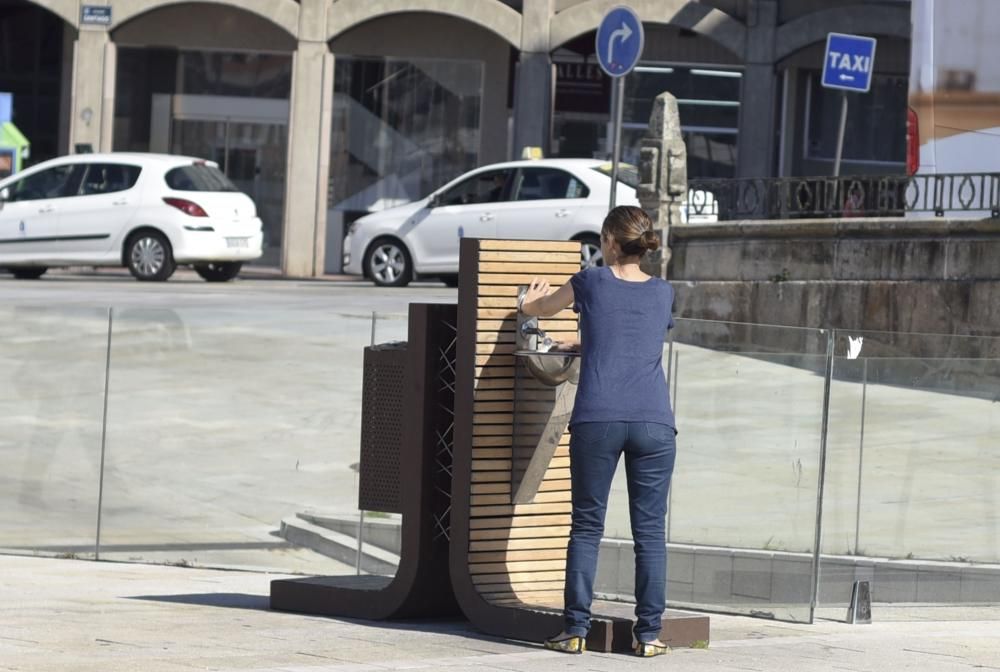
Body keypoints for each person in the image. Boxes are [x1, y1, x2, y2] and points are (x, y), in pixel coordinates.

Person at [519, 206, 677, 658]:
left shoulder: (590, 281)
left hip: (598, 419)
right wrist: (584, 343)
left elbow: (540, 309)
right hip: (654, 422)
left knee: (587, 526)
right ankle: (648, 636)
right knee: (650, 532)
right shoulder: (664, 292)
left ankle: (574, 630)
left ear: (609, 241)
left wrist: (528, 301)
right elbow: (635, 340)